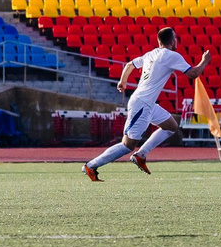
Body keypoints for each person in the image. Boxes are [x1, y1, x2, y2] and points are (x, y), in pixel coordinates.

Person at [82, 25, 211, 179]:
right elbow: (193, 74)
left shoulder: (151, 54)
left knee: (171, 126)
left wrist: (122, 81)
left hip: (146, 103)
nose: (176, 41)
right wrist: (204, 61)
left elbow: (129, 65)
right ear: (172, 41)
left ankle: (141, 155)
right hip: (142, 104)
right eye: (175, 38)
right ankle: (90, 166)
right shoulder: (171, 55)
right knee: (127, 145)